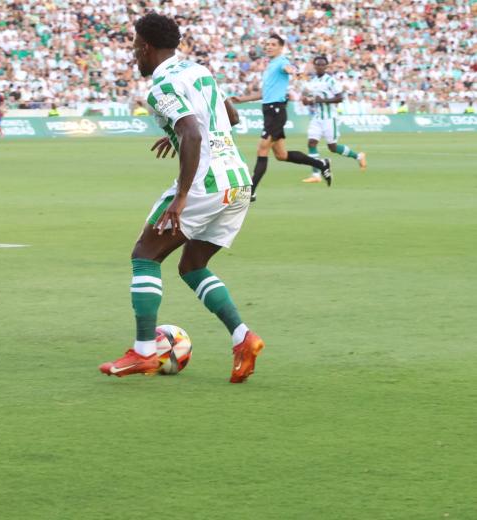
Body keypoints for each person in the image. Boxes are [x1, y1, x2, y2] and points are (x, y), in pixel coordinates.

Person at [98, 13, 264, 384]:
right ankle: (243, 338)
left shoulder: (160, 86)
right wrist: (176, 134)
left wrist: (182, 196)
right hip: (238, 181)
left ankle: (143, 353)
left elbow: (191, 133)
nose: (133, 55)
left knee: (145, 255)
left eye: (134, 47)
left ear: (145, 46)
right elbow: (230, 117)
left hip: (205, 184)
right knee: (192, 266)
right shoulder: (198, 71)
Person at [230, 34, 331, 201]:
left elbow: (289, 68)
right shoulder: (270, 65)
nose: (268, 47)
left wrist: (294, 71)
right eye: (267, 44)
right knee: (281, 155)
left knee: (262, 148)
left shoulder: (281, 62)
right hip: (269, 111)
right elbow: (265, 93)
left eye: (272, 44)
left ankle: (251, 191)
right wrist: (241, 99)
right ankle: (321, 164)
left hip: (276, 111)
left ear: (281, 47)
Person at [301, 56, 367, 183]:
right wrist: (306, 101)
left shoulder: (330, 81)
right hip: (317, 117)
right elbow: (309, 99)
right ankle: (316, 175)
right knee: (311, 143)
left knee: (333, 147)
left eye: (322, 65)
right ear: (314, 66)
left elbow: (339, 98)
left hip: (330, 118)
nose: (320, 67)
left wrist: (323, 100)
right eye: (317, 65)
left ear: (326, 67)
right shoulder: (312, 81)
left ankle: (358, 156)